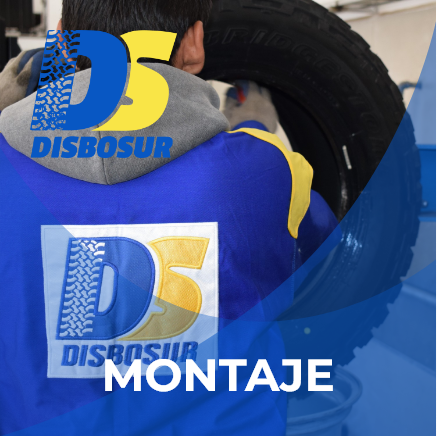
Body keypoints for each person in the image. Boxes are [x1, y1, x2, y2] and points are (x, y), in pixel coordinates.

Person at [0, 1, 338, 435]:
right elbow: (324, 252)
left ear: (62, 42)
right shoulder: (270, 171)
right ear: (194, 44)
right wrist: (253, 135)